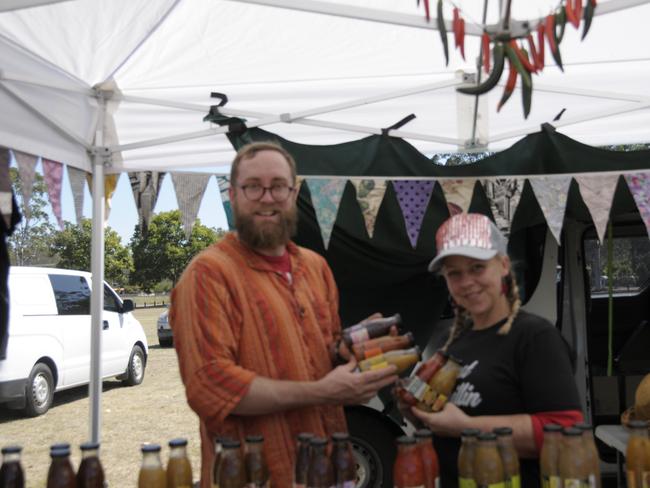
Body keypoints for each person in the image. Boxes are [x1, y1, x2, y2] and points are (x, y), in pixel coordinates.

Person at [169, 141, 398, 488]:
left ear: (292, 194)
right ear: (233, 194)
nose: (267, 197)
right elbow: (209, 386)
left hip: (329, 468)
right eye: (253, 186)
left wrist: (349, 348)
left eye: (278, 186)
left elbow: (320, 355)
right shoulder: (209, 274)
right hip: (255, 475)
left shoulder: (315, 267)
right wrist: (323, 391)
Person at [406, 212, 583, 488]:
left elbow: (564, 432)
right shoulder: (455, 343)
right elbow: (446, 426)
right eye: (454, 273)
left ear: (502, 265)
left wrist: (466, 427)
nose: (466, 282)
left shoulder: (535, 337)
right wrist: (415, 410)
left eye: (477, 267)